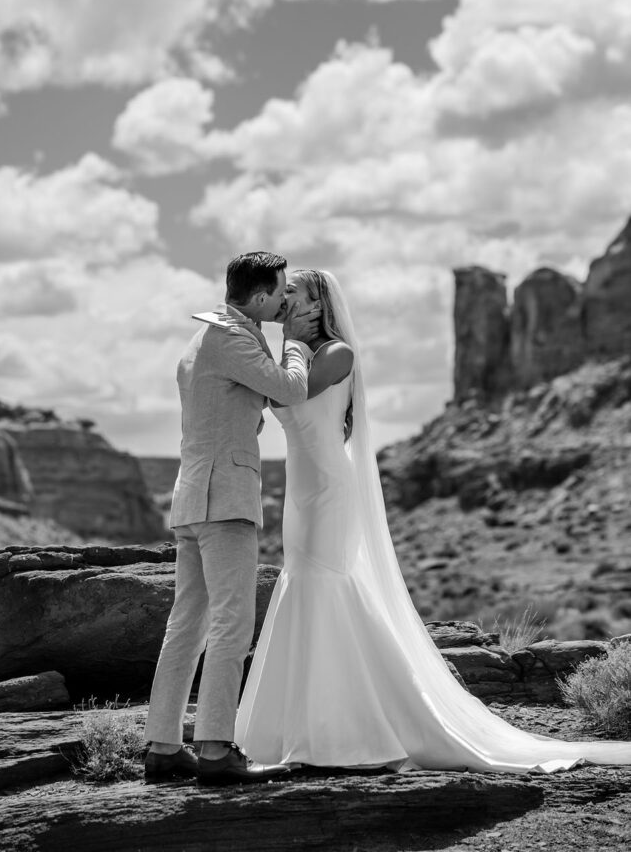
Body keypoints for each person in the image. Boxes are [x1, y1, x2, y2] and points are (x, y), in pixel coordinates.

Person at [235, 269, 631, 774]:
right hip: (301, 493)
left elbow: (287, 396)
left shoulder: (337, 354)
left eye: (294, 293)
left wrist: (288, 342)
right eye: (283, 292)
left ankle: (347, 731)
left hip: (329, 492)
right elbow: (273, 393)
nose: (284, 299)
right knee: (305, 583)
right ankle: (300, 725)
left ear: (320, 305)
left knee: (322, 583)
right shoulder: (297, 354)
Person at [144, 251, 318, 785]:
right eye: (282, 292)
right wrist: (296, 346)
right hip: (225, 498)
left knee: (187, 622)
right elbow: (289, 389)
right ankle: (217, 749)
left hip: (193, 496)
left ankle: (163, 746)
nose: (286, 300)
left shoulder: (202, 338)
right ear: (262, 295)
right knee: (232, 621)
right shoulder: (233, 338)